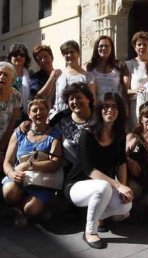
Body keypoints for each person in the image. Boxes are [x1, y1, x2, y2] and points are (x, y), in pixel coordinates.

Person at [64, 92, 133, 249]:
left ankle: (92, 213)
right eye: (106, 106)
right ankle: (90, 231)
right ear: (99, 109)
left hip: (104, 188)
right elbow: (89, 170)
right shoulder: (87, 133)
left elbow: (121, 163)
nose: (110, 110)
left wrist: (123, 188)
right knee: (103, 186)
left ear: (120, 111)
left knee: (125, 206)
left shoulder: (119, 135)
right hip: (76, 186)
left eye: (114, 107)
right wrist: (118, 185)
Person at [2, 97, 62, 227]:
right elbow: (7, 161)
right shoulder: (20, 132)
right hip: (19, 178)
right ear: (29, 114)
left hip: (41, 180)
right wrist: (11, 173)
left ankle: (35, 208)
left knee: (31, 209)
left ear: (48, 111)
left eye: (42, 109)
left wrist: (30, 165)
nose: (39, 113)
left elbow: (55, 163)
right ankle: (17, 209)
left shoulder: (54, 135)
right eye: (35, 110)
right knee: (9, 191)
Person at [49, 82, 95, 166]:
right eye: (71, 99)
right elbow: (45, 130)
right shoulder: (61, 118)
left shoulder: (98, 116)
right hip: (72, 167)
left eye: (78, 97)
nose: (75, 101)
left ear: (88, 99)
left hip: (97, 163)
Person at [49, 40, 96, 120]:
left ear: (78, 53)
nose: (69, 55)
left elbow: (92, 99)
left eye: (72, 52)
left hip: (80, 117)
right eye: (66, 53)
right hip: (60, 117)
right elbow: (53, 97)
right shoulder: (58, 75)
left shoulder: (88, 76)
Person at [86, 35, 129, 103]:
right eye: (101, 46)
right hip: (97, 107)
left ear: (111, 48)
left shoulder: (120, 65)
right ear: (96, 48)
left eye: (107, 46)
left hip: (115, 106)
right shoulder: (90, 67)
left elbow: (125, 89)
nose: (103, 48)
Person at [125, 31, 148, 128]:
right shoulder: (129, 65)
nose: (142, 47)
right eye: (139, 44)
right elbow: (124, 89)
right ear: (134, 47)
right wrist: (135, 91)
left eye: (145, 44)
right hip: (135, 105)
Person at [0, 62, 22, 174]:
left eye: (5, 75)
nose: (1, 77)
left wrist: (3, 143)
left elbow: (14, 119)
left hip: (5, 136)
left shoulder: (16, 95)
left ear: (12, 80)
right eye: (0, 74)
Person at [7, 44, 31, 115]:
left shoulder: (31, 74)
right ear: (10, 57)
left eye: (22, 55)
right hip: (7, 113)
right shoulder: (3, 73)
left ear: (26, 58)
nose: (19, 57)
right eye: (15, 54)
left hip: (26, 114)